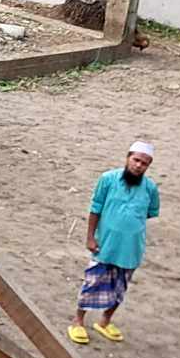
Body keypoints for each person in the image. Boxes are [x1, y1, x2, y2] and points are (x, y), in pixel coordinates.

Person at [69, 139, 159, 345]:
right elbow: (95, 209)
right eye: (136, 160)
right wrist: (90, 237)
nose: (138, 166)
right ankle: (78, 321)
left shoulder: (150, 188)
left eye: (144, 163)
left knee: (120, 288)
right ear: (128, 158)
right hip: (105, 245)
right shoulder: (108, 179)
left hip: (132, 249)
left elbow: (148, 213)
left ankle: (105, 321)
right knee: (92, 282)